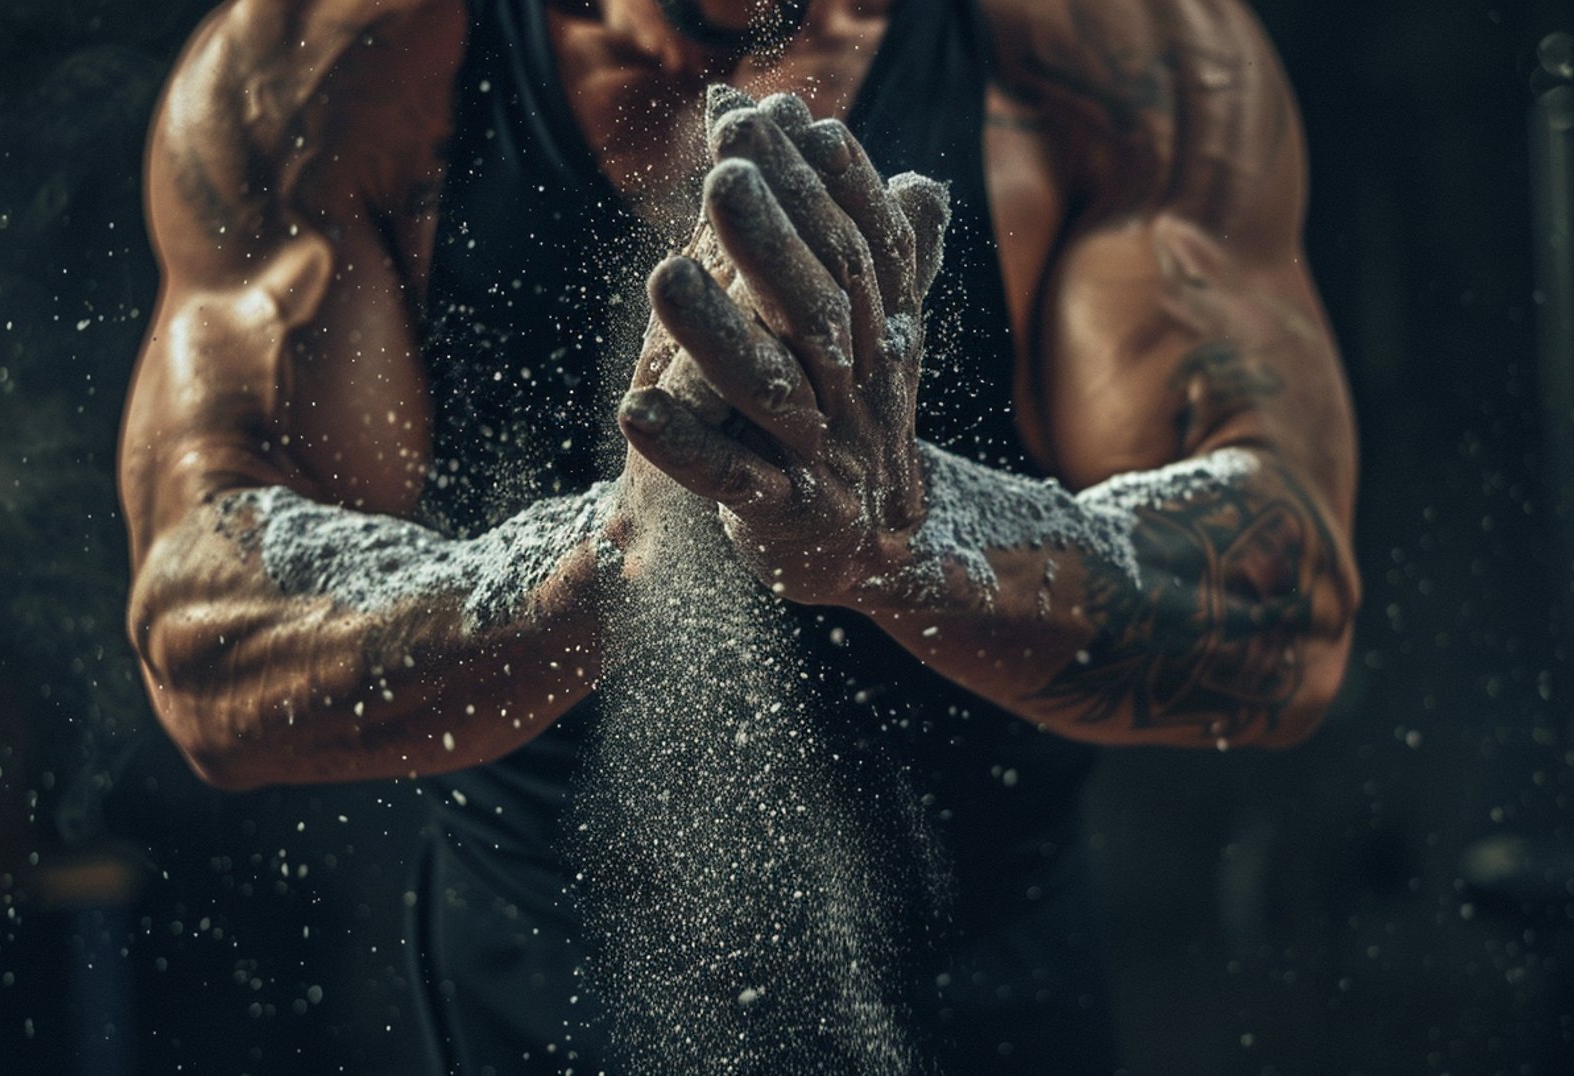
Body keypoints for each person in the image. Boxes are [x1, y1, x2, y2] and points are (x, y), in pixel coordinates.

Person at [119, 0, 1361, 1071]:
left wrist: (907, 539)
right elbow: (204, 634)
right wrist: (610, 558)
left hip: (983, 975)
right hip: (537, 990)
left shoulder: (1102, 58)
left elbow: (1287, 613)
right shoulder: (334, 67)